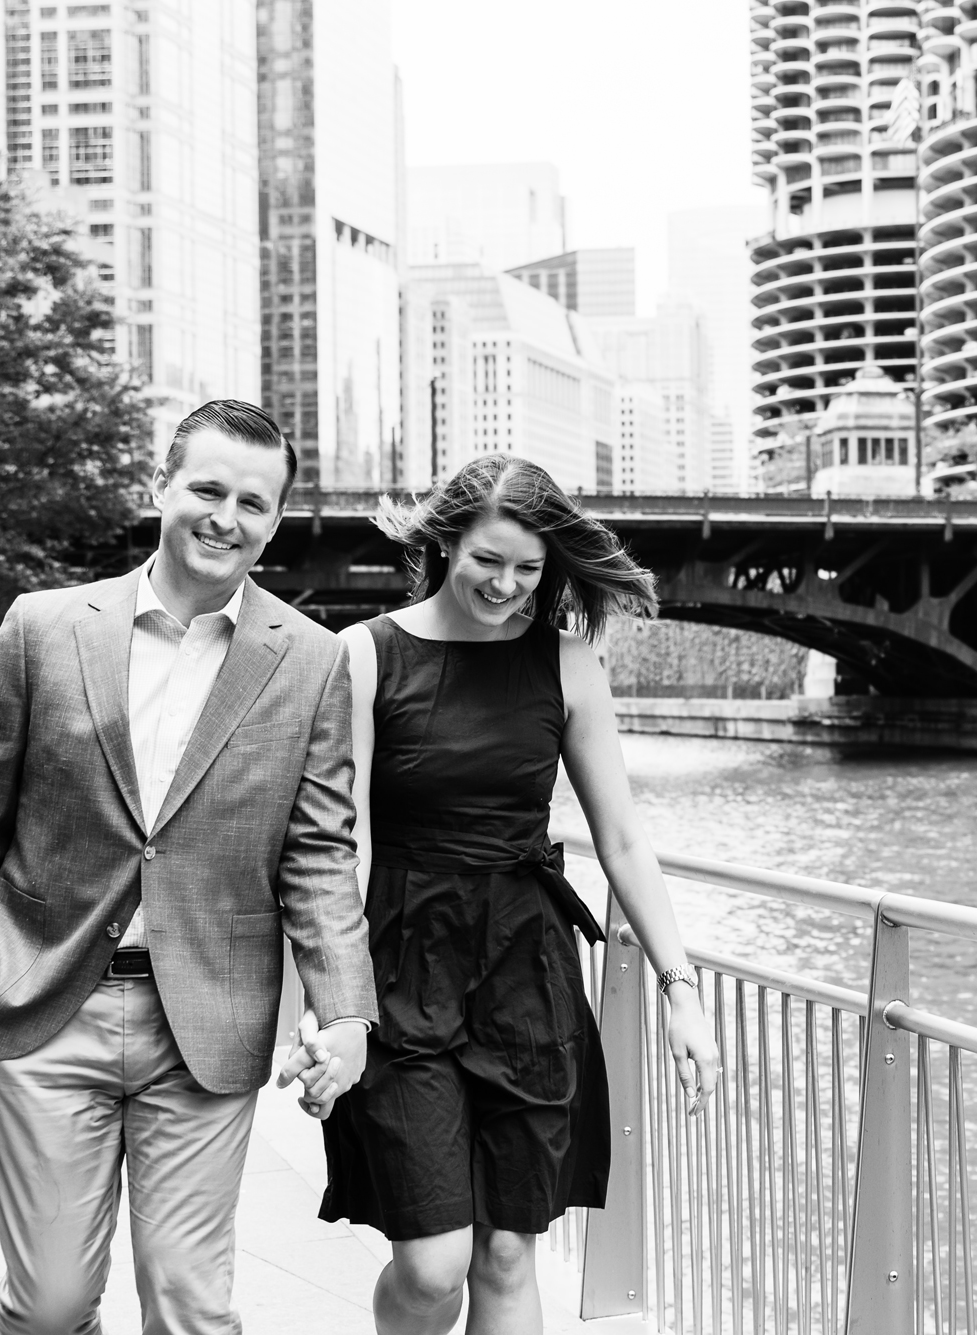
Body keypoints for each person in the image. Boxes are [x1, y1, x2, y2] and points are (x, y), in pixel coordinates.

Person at [0, 399, 379, 1334]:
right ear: (160, 488)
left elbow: (320, 855)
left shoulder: (312, 661)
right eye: (206, 489)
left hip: (204, 1023)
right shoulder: (43, 628)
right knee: (50, 1306)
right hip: (42, 1006)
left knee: (189, 1302)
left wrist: (345, 1012)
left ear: (276, 519)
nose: (226, 517)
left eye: (254, 502)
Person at [290, 454, 719, 1335]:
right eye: (490, 560)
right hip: (401, 971)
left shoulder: (567, 662)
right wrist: (330, 1004)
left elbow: (624, 839)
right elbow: (348, 845)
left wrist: (683, 989)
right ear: (447, 540)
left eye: (530, 569)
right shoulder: (366, 655)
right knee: (432, 1262)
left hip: (528, 976)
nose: (508, 584)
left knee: (510, 1250)